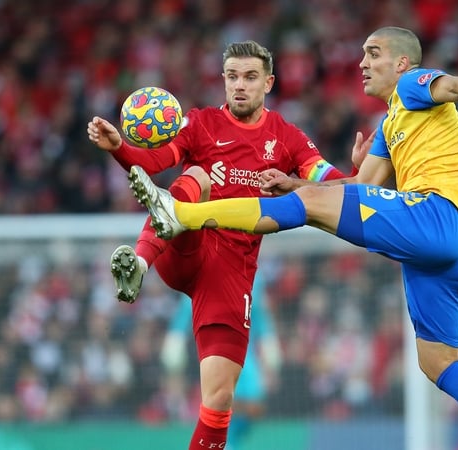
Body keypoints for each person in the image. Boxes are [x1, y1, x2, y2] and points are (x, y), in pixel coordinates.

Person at [126, 26, 458, 450]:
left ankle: (181, 214)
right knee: (437, 363)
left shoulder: (411, 85)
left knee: (307, 206)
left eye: (374, 53)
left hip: (436, 215)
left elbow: (453, 85)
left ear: (402, 63)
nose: (363, 63)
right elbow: (357, 185)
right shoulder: (391, 125)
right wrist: (295, 184)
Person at [87, 40, 362, 449]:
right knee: (196, 178)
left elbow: (332, 183)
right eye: (232, 76)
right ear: (223, 80)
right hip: (187, 247)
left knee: (218, 399)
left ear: (268, 83)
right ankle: (139, 264)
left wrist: (357, 172)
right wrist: (118, 148)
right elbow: (154, 163)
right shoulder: (200, 123)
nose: (239, 85)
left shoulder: (286, 138)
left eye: (250, 77)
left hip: (230, 275)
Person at [162, 272, 280, 450]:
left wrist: (268, 343)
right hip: (213, 351)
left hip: (244, 353)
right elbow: (186, 310)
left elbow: (260, 315)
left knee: (249, 404)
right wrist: (176, 338)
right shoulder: (202, 271)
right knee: (220, 401)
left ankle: (226, 442)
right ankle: (223, 442)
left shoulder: (253, 276)